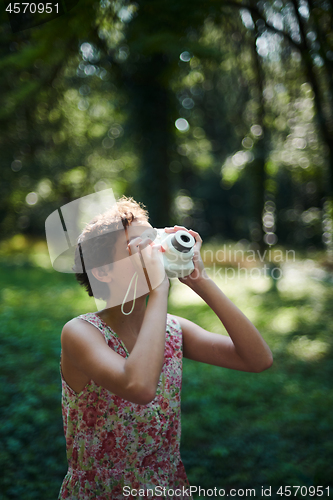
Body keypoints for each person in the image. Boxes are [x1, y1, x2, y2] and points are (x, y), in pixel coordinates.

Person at [58, 196, 273, 500]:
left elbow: (258, 359)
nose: (154, 251)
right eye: (139, 246)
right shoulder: (81, 333)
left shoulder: (173, 330)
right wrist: (159, 289)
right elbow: (139, 387)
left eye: (153, 238)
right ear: (104, 271)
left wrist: (201, 281)